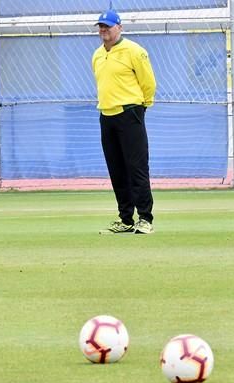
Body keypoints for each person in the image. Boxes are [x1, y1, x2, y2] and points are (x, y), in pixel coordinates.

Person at [92, 10, 156, 234]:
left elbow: (148, 83)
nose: (104, 30)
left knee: (136, 167)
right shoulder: (98, 55)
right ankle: (126, 219)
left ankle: (145, 218)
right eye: (101, 27)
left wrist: (142, 107)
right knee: (116, 169)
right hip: (106, 115)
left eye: (108, 26)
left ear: (119, 27)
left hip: (130, 113)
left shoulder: (134, 51)